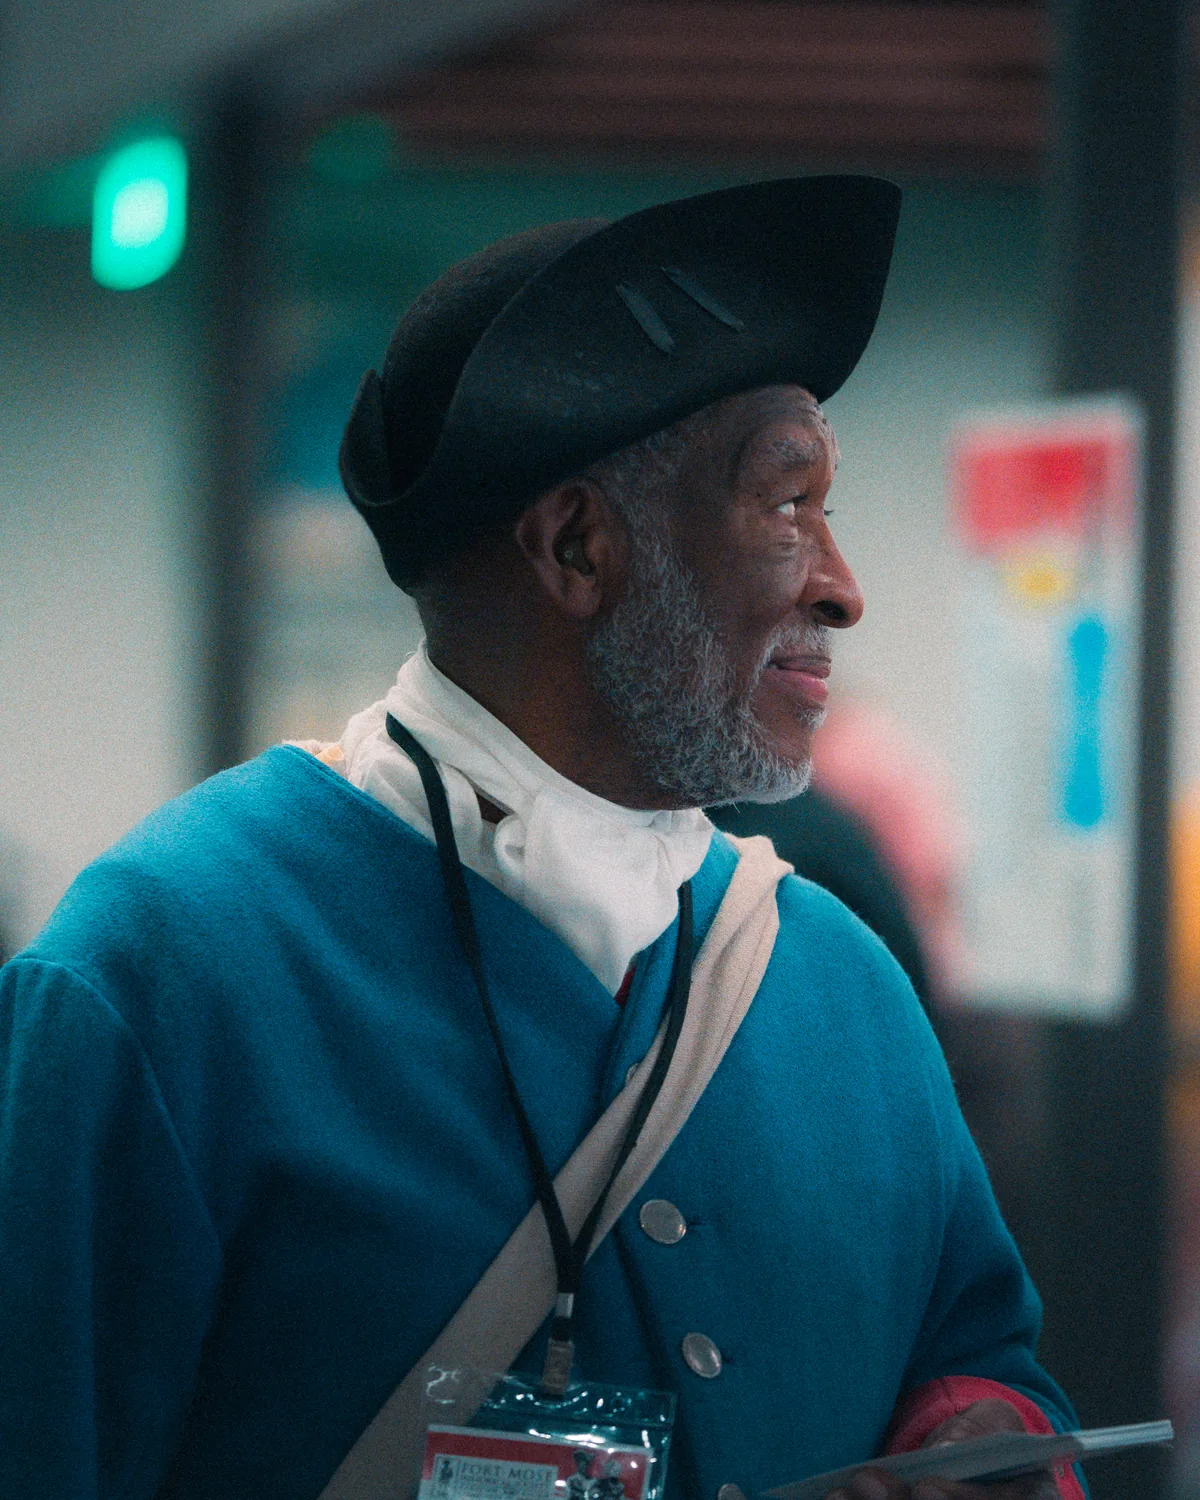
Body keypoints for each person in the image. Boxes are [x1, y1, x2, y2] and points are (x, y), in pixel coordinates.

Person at [0, 178, 1079, 1500]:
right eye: (787, 505)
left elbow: (977, 1361)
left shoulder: (840, 988)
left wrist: (968, 1447)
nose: (841, 588)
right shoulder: (160, 979)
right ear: (576, 547)